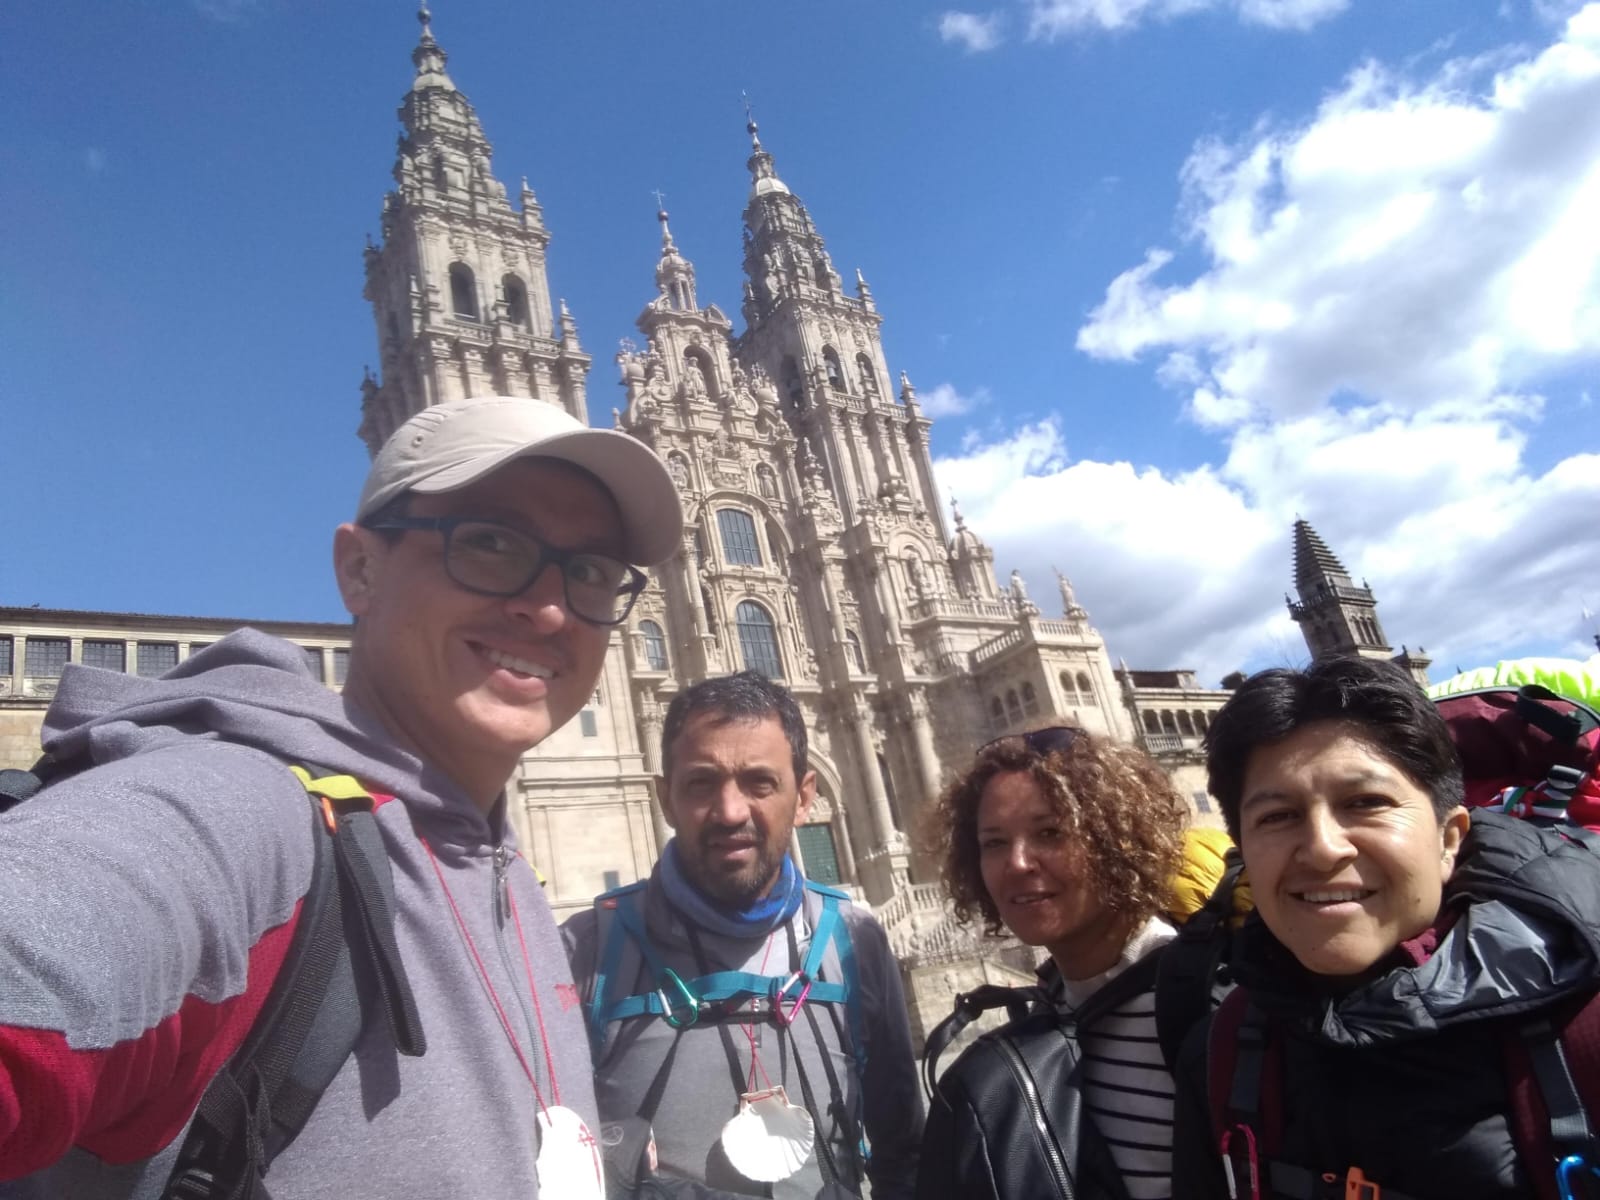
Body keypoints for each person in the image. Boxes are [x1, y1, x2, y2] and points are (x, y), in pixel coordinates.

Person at [0, 394, 683, 1198]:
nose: (549, 607)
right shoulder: (240, 813)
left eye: (593, 572)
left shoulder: (507, 875)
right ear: (360, 570)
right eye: (491, 543)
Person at [1172, 655, 1600, 1200]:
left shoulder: (1585, 1019)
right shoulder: (1219, 1056)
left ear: (1450, 838)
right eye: (1277, 816)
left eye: (1366, 803)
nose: (1324, 848)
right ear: (1244, 853)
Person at [563, 671, 923, 1199]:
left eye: (759, 782)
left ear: (804, 798)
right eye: (701, 783)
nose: (731, 812)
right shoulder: (583, 954)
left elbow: (904, 1159)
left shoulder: (856, 941)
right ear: (665, 798)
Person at [917, 725, 1192, 1200]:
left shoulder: (1211, 1004)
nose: (1018, 863)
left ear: (1116, 837)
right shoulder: (1053, 1012)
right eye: (994, 843)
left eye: (1050, 832)